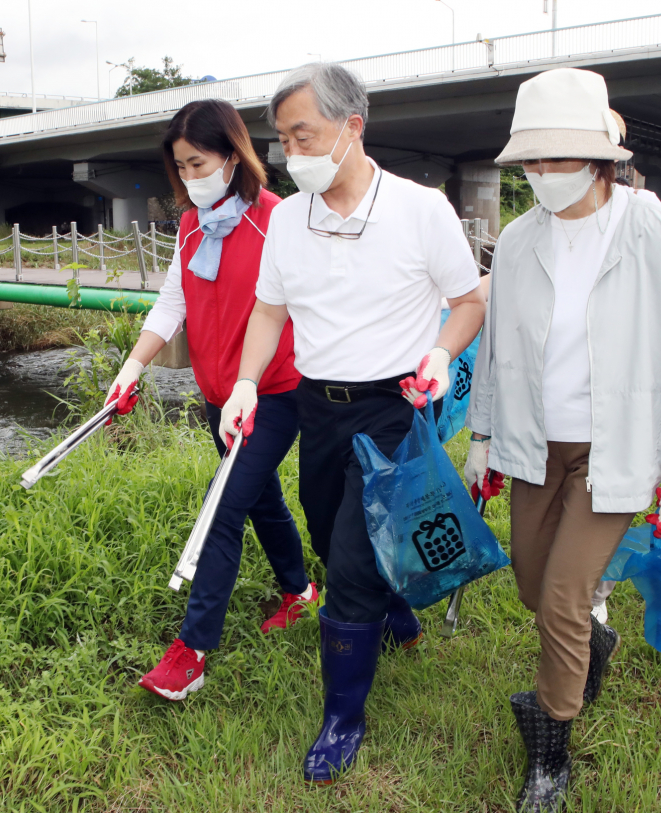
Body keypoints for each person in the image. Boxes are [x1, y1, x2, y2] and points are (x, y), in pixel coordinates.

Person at [223, 62, 486, 784]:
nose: (290, 153)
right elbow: (270, 309)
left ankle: (343, 715)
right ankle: (396, 603)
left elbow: (468, 301)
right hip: (318, 405)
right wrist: (246, 382)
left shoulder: (420, 209)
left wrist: (439, 352)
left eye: (303, 134)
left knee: (348, 565)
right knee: (328, 522)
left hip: (394, 405)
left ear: (352, 127)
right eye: (283, 139)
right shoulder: (285, 217)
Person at [465, 68, 661, 813]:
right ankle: (592, 648)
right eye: (531, 162)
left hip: (616, 446)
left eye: (556, 160)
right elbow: (499, 345)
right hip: (536, 443)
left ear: (599, 156)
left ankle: (550, 748)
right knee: (535, 587)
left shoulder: (648, 226)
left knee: (565, 596)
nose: (540, 176)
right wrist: (481, 434)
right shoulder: (519, 237)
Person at [104, 99, 316, 703]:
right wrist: (133, 364)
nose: (191, 178)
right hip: (215, 396)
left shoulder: (279, 220)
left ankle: (191, 653)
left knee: (220, 508)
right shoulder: (192, 225)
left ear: (232, 154)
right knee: (259, 498)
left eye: (200, 163)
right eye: (182, 167)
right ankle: (300, 595)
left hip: (274, 392)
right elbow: (173, 303)